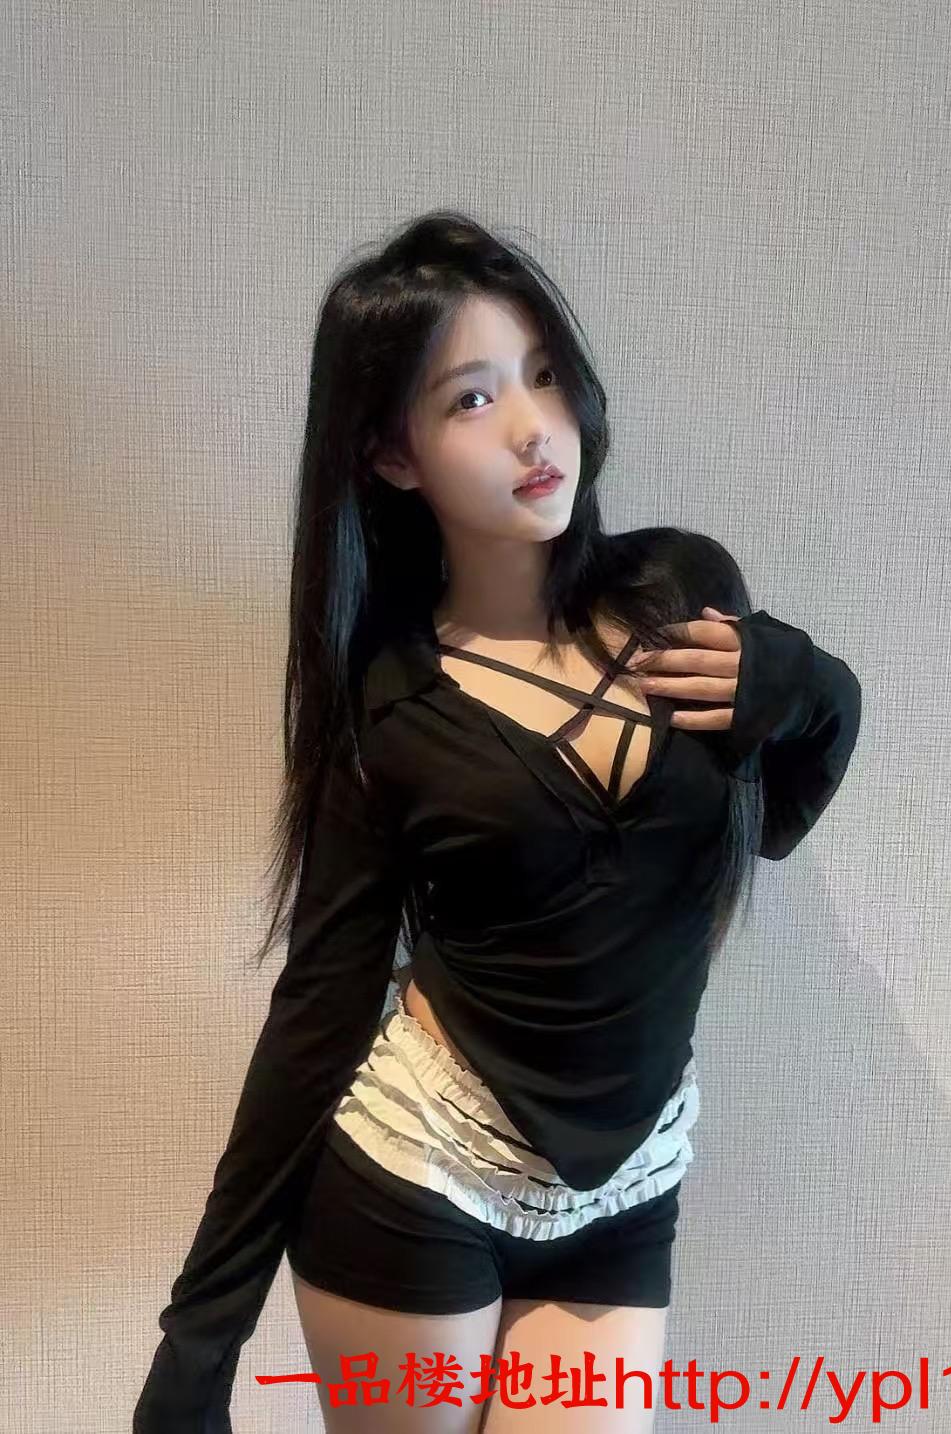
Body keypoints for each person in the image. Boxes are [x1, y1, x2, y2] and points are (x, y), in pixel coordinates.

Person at [133, 209, 862, 1433]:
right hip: (420, 1178)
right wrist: (199, 1341)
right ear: (392, 455)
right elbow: (320, 1005)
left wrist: (821, 692)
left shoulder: (684, 590)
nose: (533, 427)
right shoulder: (389, 707)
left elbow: (769, 824)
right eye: (471, 399)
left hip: (627, 1191)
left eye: (542, 374)